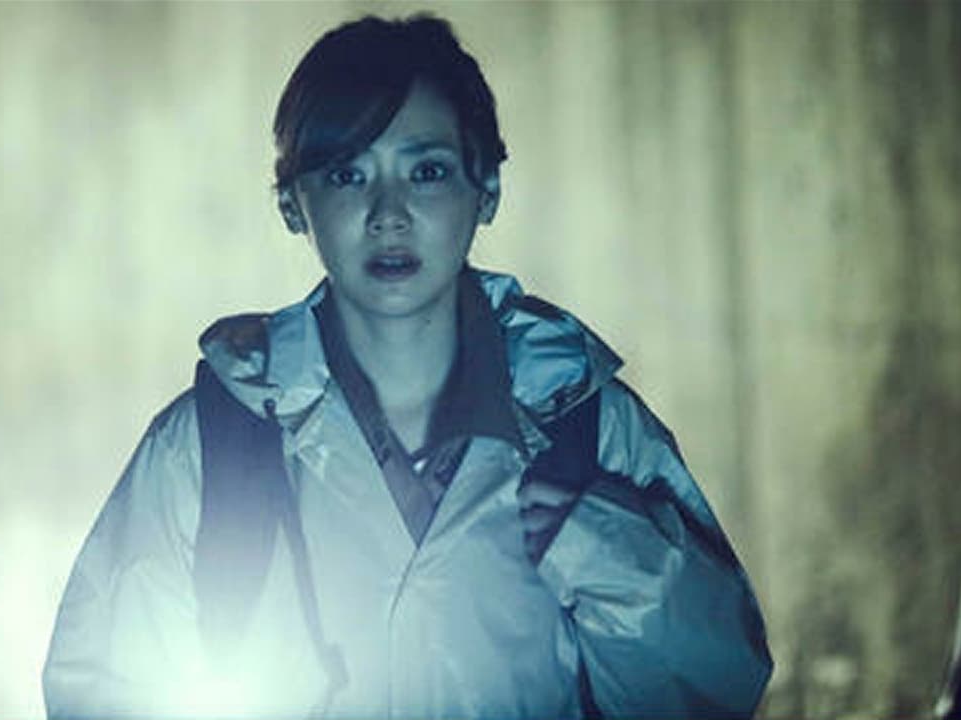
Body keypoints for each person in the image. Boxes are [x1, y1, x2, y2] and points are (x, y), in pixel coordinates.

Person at [43, 14, 772, 719]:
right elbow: (106, 689)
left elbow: (715, 687)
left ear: (485, 189)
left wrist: (603, 543)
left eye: (426, 171)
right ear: (293, 205)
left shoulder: (587, 427)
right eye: (347, 175)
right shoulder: (212, 443)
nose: (388, 213)